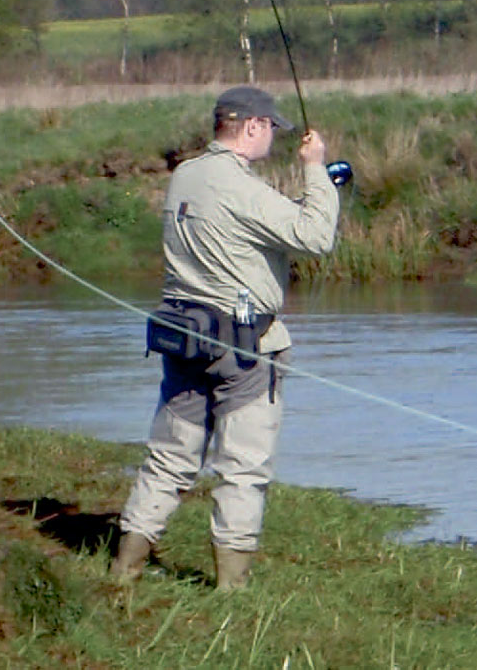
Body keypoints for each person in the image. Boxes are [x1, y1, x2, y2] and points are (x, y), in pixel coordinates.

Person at [112, 85, 341, 590]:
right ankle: (232, 592)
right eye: (271, 130)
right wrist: (316, 171)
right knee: (243, 469)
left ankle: (124, 569)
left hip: (184, 340)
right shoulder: (242, 186)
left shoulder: (184, 176)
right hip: (244, 351)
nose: (274, 140)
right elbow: (316, 237)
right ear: (253, 126)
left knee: (169, 459)